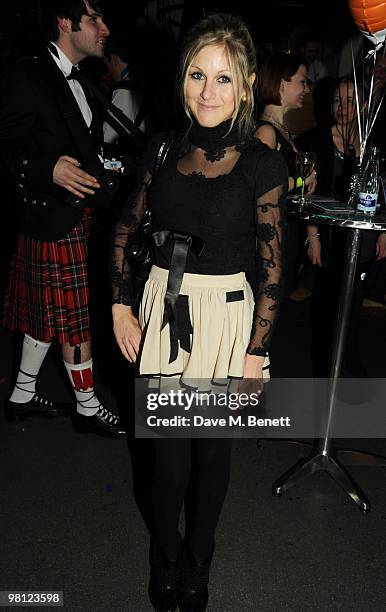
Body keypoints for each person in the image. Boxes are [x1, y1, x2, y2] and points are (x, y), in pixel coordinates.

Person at [111, 13, 287, 612]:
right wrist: (118, 303)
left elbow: (272, 267)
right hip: (163, 311)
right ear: (182, 79)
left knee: (213, 454)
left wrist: (258, 349)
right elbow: (127, 226)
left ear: (245, 86)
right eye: (196, 75)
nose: (208, 91)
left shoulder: (263, 164)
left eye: (223, 79)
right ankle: (164, 554)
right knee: (168, 462)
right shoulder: (162, 147)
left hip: (229, 322)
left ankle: (199, 555)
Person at [0, 0, 125, 438]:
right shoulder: (28, 75)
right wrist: (46, 168)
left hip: (76, 214)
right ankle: (87, 407)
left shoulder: (81, 79)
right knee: (74, 320)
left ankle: (21, 394)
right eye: (95, 18)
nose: (104, 27)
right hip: (50, 219)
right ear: (65, 23)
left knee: (47, 316)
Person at [296, 76, 386, 375]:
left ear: (363, 105)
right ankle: (325, 365)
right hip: (327, 234)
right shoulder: (313, 141)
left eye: (350, 101)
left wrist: (384, 232)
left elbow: (382, 190)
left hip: (361, 237)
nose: (343, 107)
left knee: (353, 300)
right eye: (337, 100)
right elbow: (307, 193)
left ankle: (347, 362)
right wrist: (313, 236)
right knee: (326, 301)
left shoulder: (372, 143)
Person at [255, 51, 317, 300]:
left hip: (285, 232)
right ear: (282, 84)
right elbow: (262, 187)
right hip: (269, 237)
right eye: (302, 81)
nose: (307, 89)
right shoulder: (265, 132)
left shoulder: (284, 133)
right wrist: (302, 180)